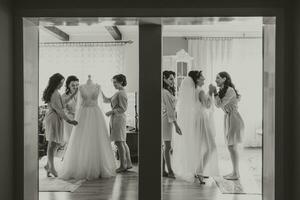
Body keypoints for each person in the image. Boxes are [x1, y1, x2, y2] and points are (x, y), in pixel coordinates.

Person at [60, 75, 116, 180]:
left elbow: (103, 100)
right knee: (81, 139)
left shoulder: (98, 86)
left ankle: (99, 166)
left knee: (96, 139)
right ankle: (80, 166)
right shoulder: (80, 87)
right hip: (84, 113)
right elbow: (78, 103)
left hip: (96, 114)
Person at [172, 70, 219, 184]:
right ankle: (199, 170)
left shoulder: (192, 92)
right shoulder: (200, 91)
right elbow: (207, 106)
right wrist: (211, 92)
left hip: (195, 120)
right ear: (197, 79)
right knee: (211, 146)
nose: (204, 78)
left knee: (198, 146)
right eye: (202, 77)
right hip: (202, 120)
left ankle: (197, 170)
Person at [209, 71, 245, 180]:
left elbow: (219, 104)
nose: (216, 80)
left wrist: (215, 93)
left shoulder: (229, 90)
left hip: (234, 118)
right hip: (228, 117)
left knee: (232, 146)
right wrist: (216, 93)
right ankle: (235, 172)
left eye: (218, 78)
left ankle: (236, 173)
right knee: (231, 146)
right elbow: (216, 104)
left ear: (225, 79)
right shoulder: (223, 90)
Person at [42, 73, 78, 177]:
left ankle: (48, 165)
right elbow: (60, 110)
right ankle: (51, 168)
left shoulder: (56, 92)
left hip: (55, 118)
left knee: (55, 143)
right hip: (53, 118)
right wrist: (69, 121)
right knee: (53, 143)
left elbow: (63, 102)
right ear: (56, 82)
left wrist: (73, 94)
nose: (62, 85)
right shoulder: (54, 93)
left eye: (62, 83)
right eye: (61, 83)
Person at [102, 74, 133, 173]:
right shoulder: (118, 92)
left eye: (115, 82)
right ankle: (128, 163)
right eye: (113, 82)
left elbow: (123, 108)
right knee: (122, 141)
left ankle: (123, 165)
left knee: (119, 142)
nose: (114, 84)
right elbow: (106, 100)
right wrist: (100, 91)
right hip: (116, 118)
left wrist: (111, 112)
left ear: (121, 82)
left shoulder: (121, 93)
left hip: (119, 118)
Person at [162, 71, 182, 179]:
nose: (172, 81)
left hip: (168, 119)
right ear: (164, 78)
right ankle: (169, 171)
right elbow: (170, 110)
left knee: (165, 146)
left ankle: (163, 170)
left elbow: (172, 109)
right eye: (170, 78)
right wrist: (176, 125)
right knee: (167, 146)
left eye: (173, 79)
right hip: (166, 120)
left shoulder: (168, 91)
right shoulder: (164, 92)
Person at [61, 76, 79, 144]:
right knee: (70, 140)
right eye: (73, 85)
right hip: (69, 120)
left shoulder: (81, 95)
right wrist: (71, 114)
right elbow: (63, 110)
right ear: (68, 85)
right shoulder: (64, 96)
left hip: (79, 118)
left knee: (79, 139)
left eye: (77, 85)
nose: (75, 87)